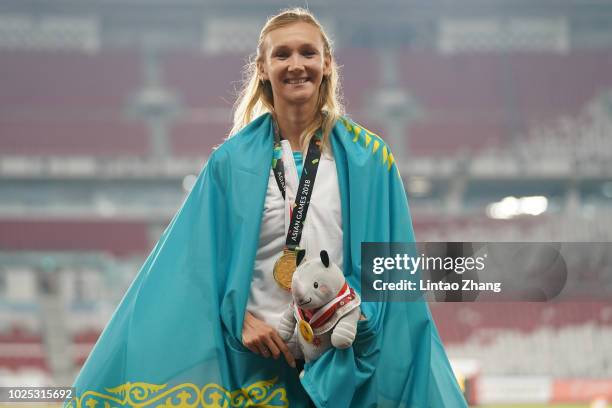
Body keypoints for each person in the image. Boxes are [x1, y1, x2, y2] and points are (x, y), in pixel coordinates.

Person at [69, 8, 466, 408]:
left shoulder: (370, 159)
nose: (297, 65)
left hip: (343, 368)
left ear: (326, 63)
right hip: (258, 374)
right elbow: (194, 265)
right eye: (283, 55)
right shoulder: (230, 163)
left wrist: (352, 320)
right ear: (262, 68)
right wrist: (237, 316)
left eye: (308, 53)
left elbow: (393, 268)